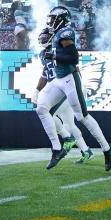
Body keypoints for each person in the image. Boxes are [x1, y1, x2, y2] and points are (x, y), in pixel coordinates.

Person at [36, 6, 111, 171]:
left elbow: (74, 58)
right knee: (42, 108)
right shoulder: (54, 38)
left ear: (60, 19)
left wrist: (54, 55)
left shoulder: (65, 32)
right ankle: (57, 149)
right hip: (58, 80)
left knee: (82, 117)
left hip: (70, 78)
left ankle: (107, 149)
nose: (50, 22)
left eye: (52, 19)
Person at [32, 27, 93, 166]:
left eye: (44, 37)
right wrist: (36, 90)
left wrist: (79, 87)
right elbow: (44, 74)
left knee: (47, 113)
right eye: (40, 37)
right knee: (69, 125)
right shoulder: (43, 54)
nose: (41, 39)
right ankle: (86, 150)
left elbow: (74, 67)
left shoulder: (58, 47)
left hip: (65, 89)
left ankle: (67, 140)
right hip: (56, 90)